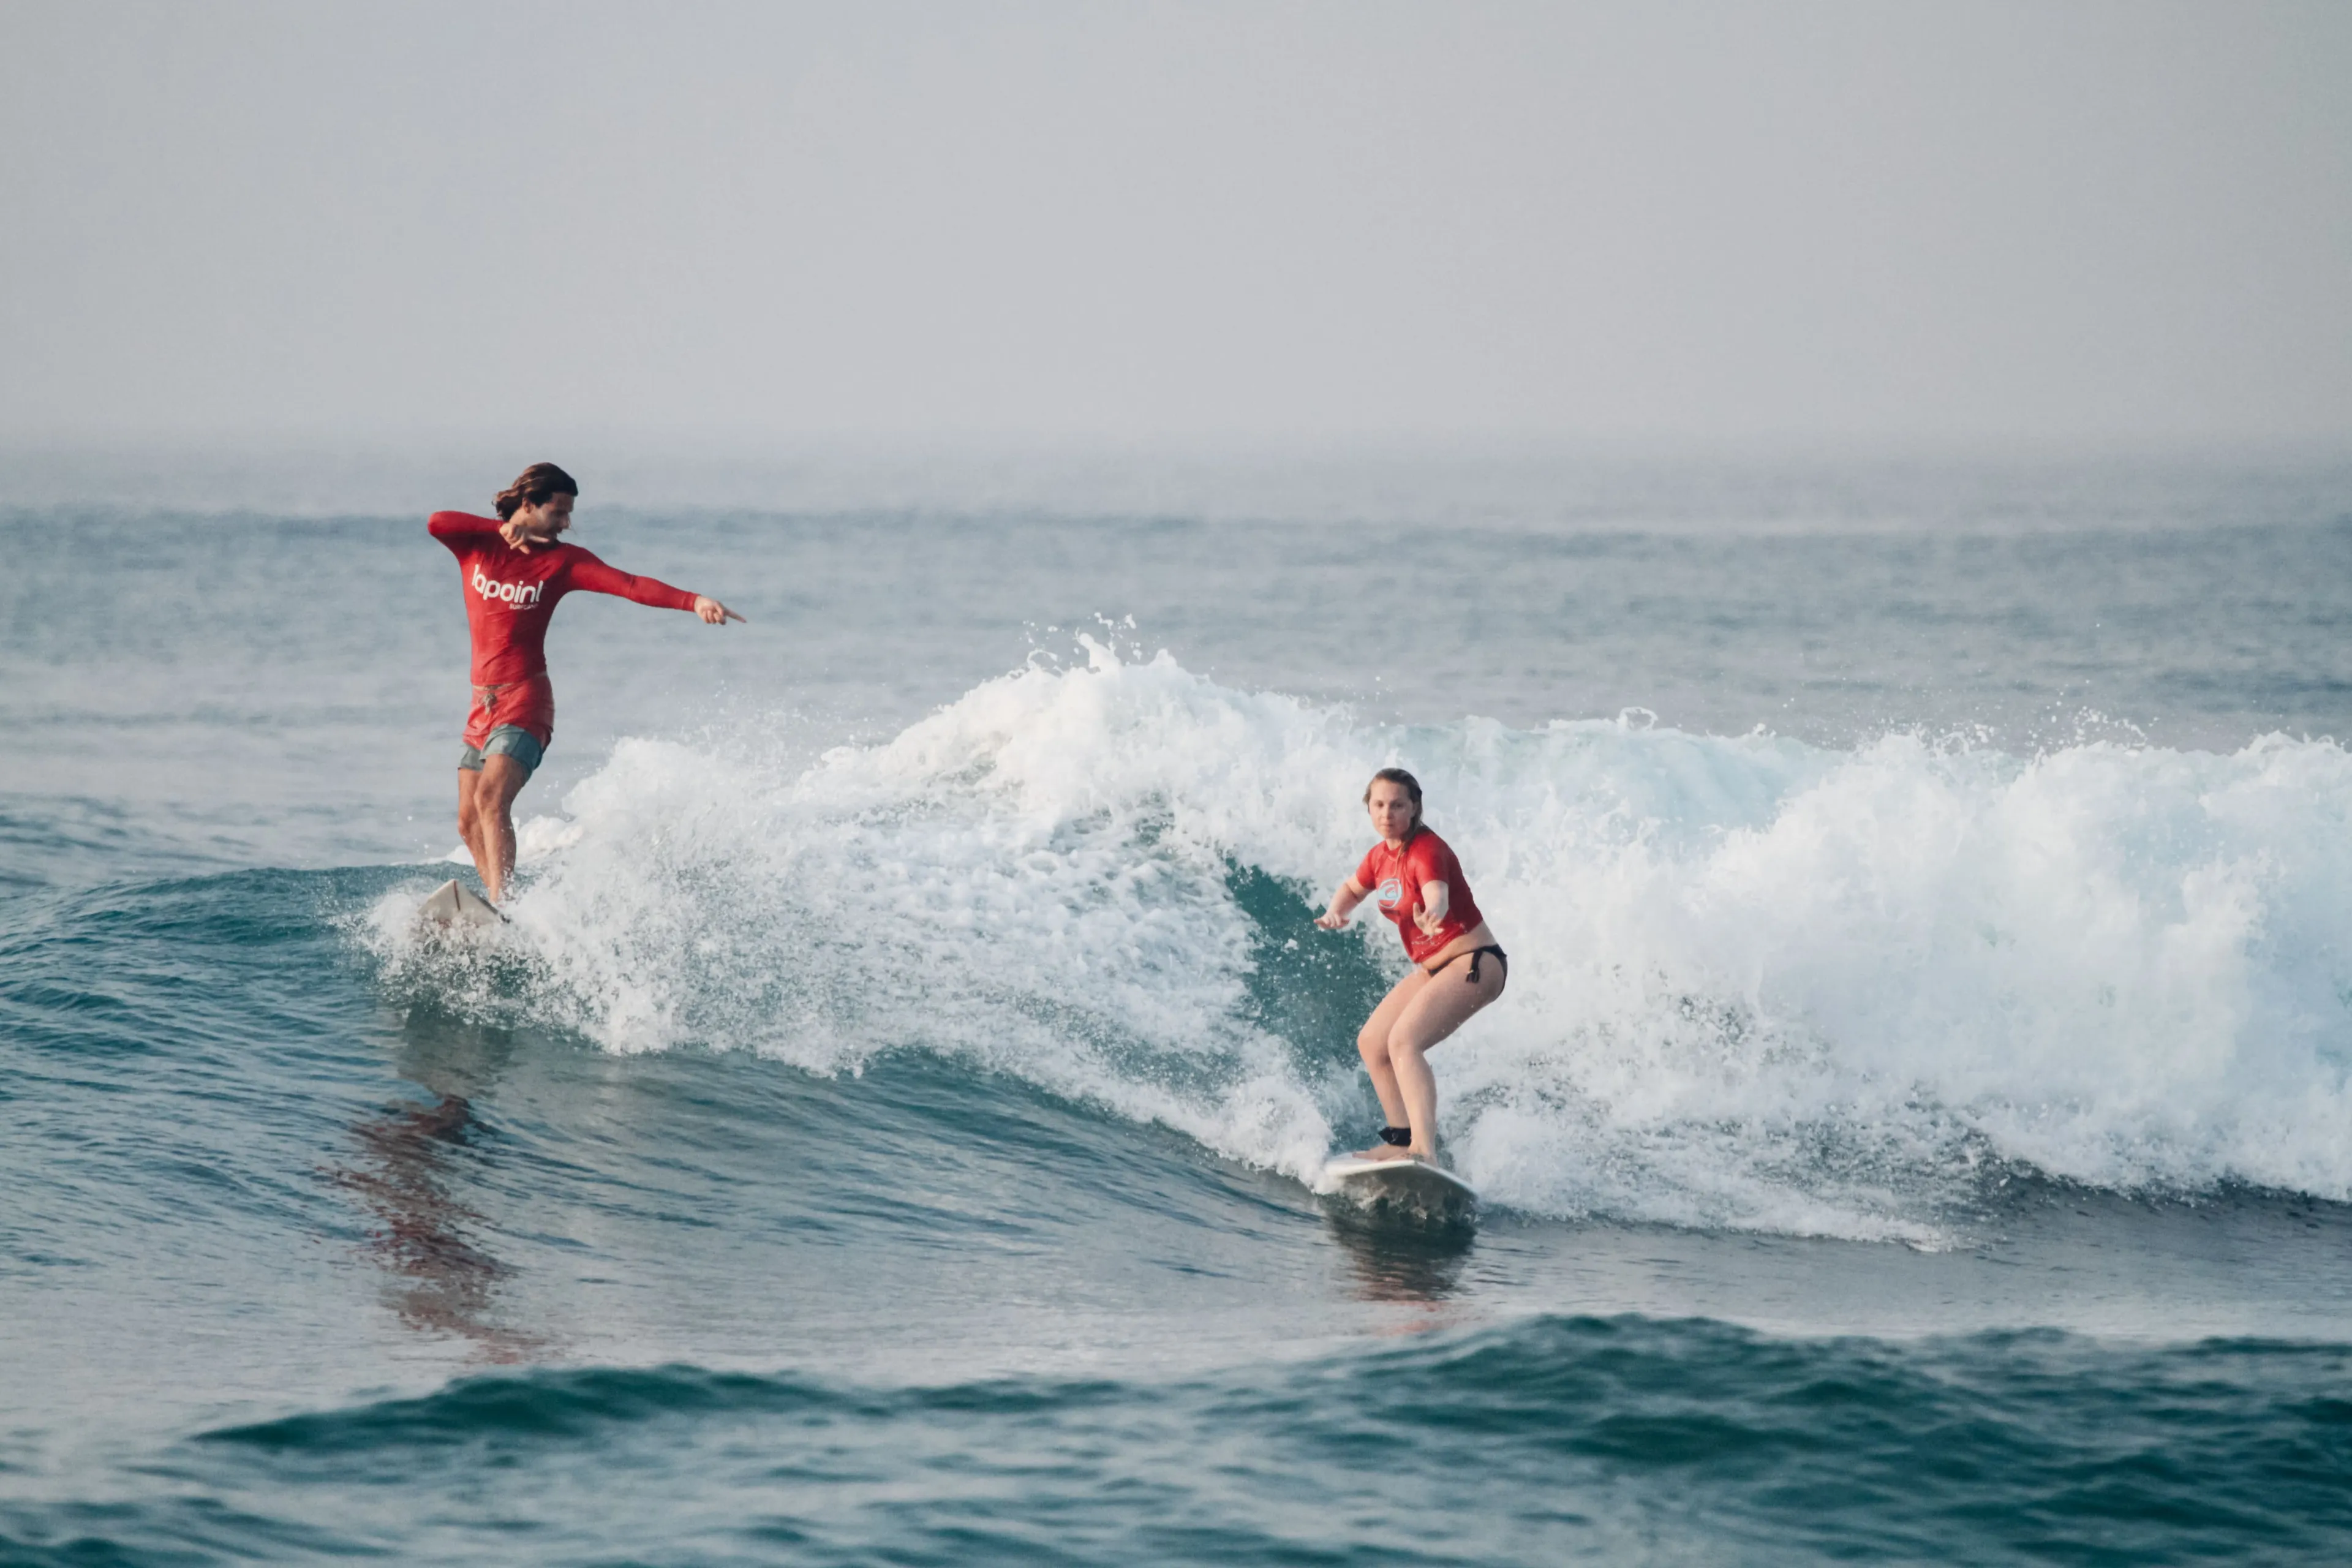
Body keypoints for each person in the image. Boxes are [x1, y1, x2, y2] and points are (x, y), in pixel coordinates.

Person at [429, 462, 741, 903]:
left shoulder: (563, 562)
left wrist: (693, 601)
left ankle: (502, 903)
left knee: (491, 798)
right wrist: (501, 531)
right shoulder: (477, 546)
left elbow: (630, 585)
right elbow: (436, 521)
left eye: (568, 514)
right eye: (558, 513)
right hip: (481, 705)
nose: (566, 524)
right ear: (528, 505)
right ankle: (500, 908)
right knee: (467, 821)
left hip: (525, 701)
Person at [1315, 767, 1507, 1163]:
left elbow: (1436, 892)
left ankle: (1424, 1150)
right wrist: (1337, 911)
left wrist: (1433, 914)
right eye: (1379, 804)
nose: (1387, 813)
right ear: (1369, 809)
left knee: (1404, 1042)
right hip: (1434, 970)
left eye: (1398, 805)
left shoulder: (1426, 850)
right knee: (1373, 1043)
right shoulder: (1379, 857)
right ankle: (1401, 1141)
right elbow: (1353, 888)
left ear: (1414, 808)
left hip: (1475, 962)